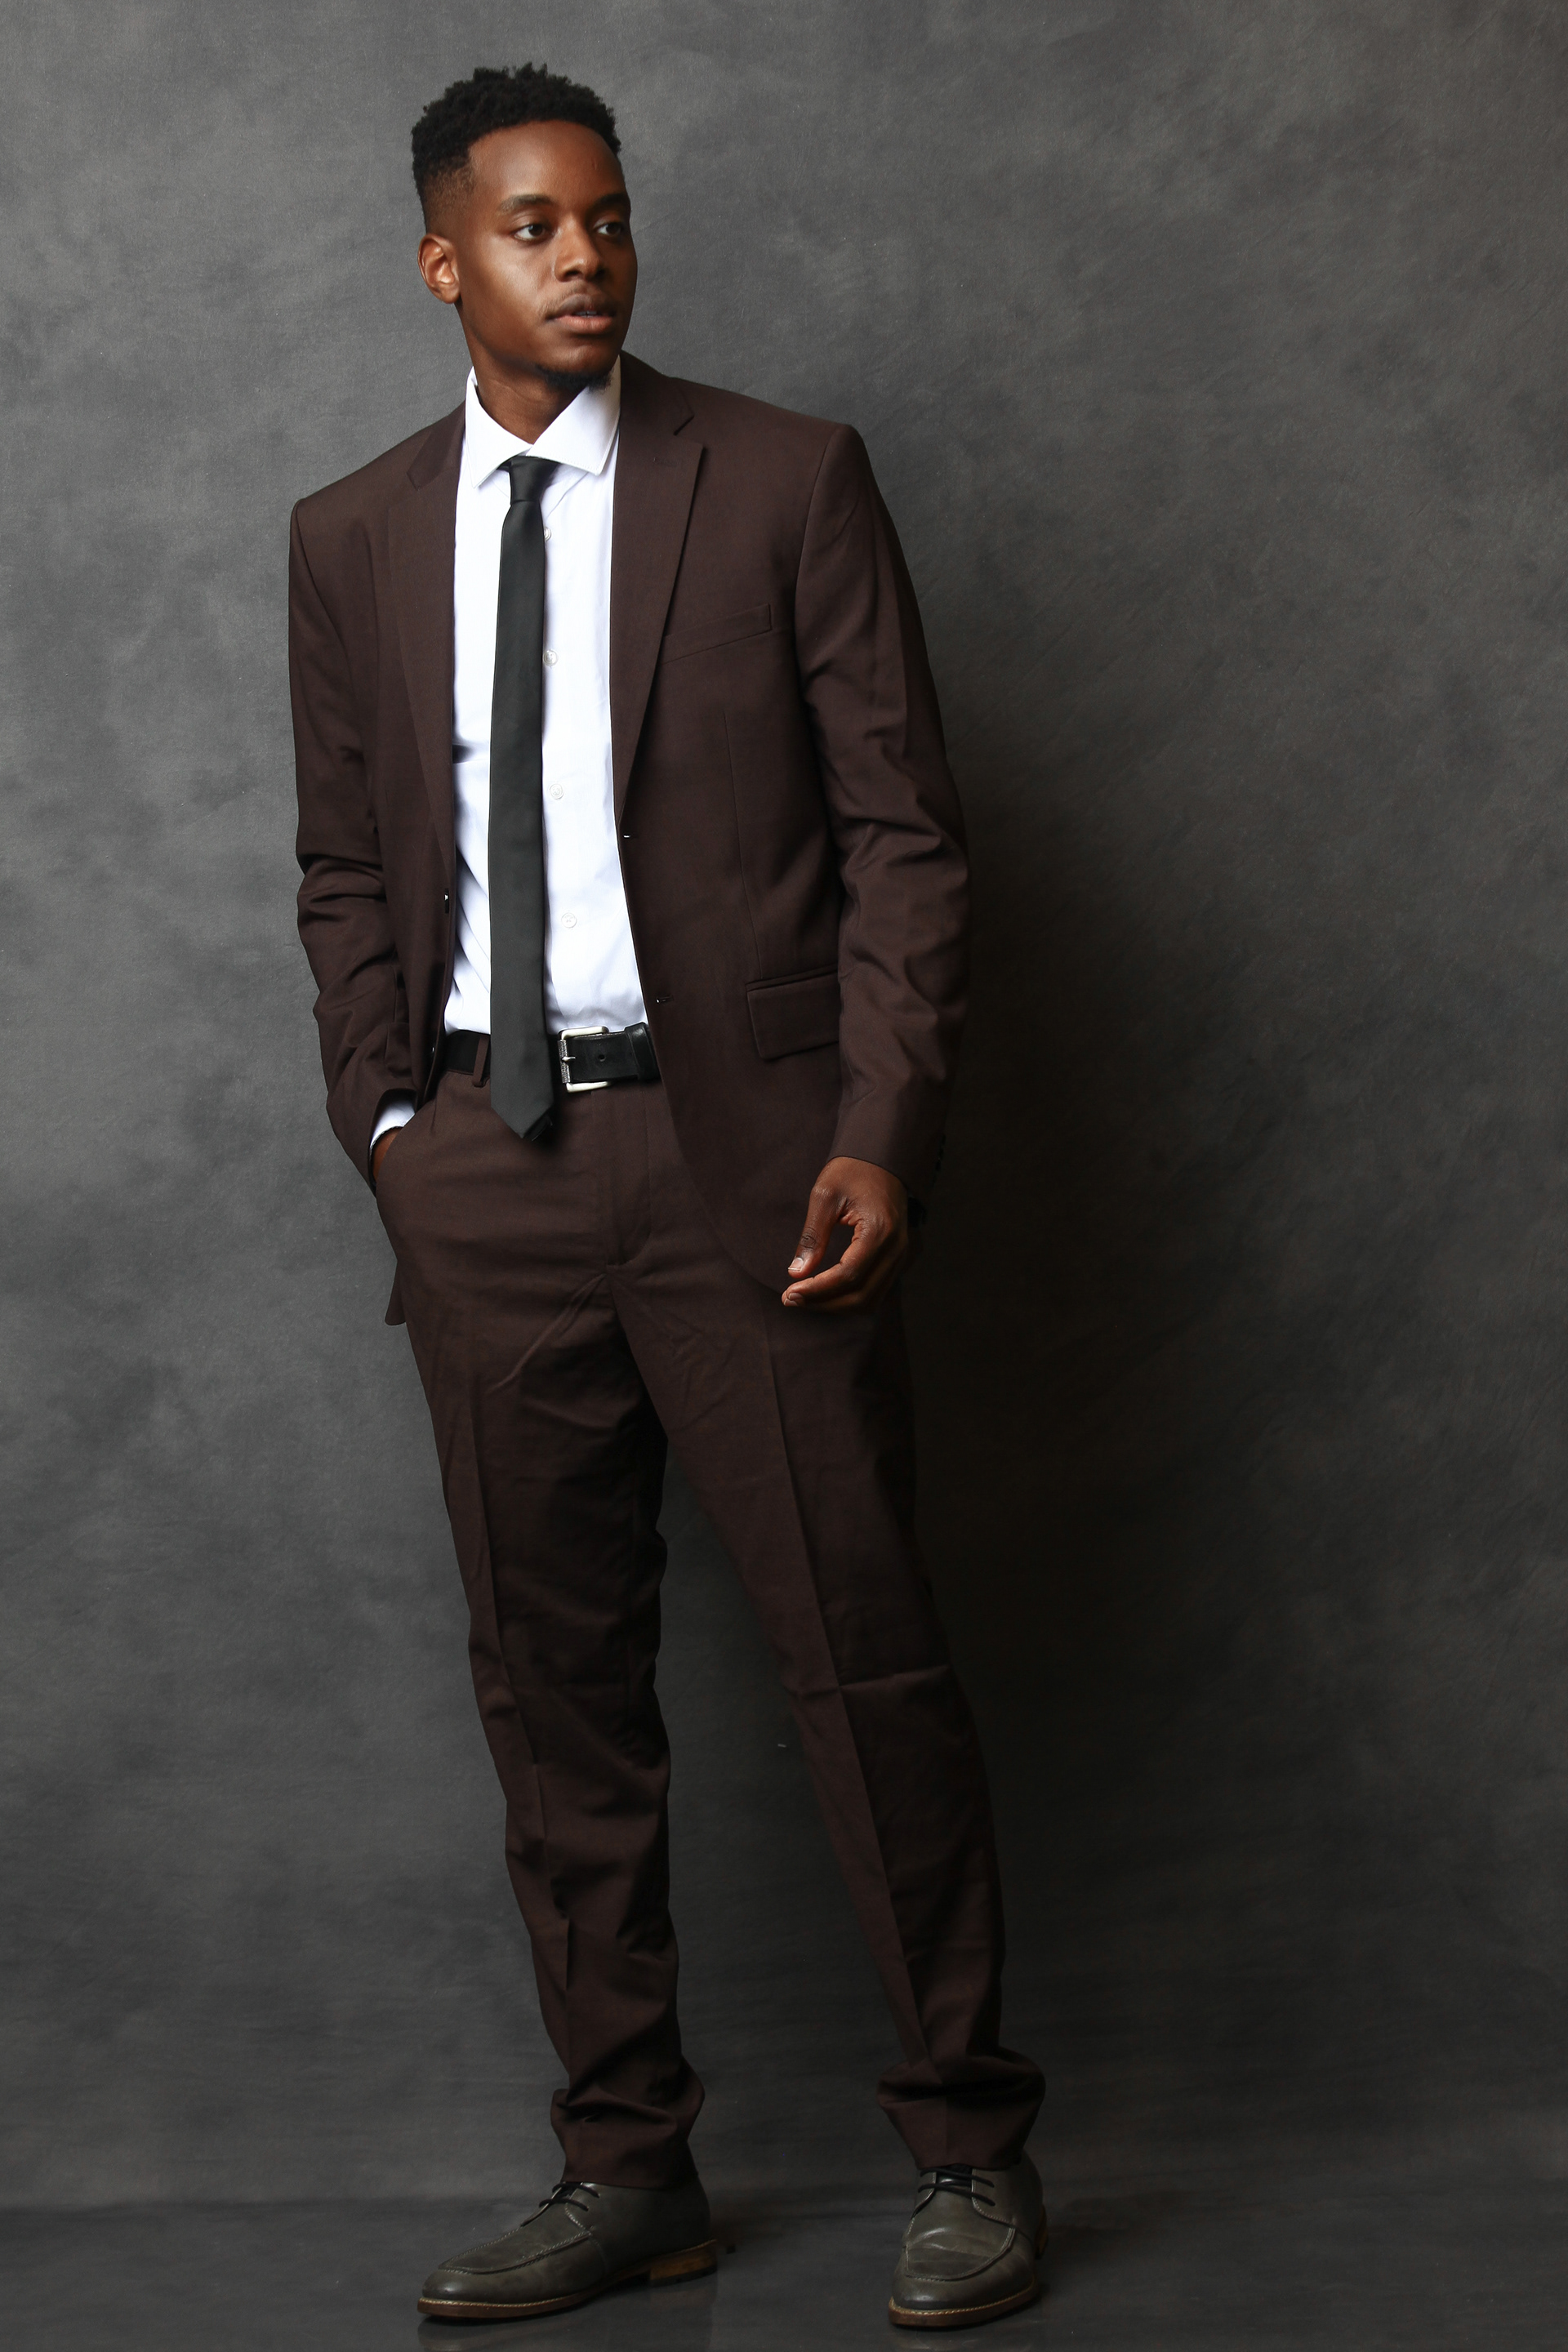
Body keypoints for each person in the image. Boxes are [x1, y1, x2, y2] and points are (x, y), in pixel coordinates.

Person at [289, 61, 1043, 2330]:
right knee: (558, 1703)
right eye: (533, 227)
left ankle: (972, 2150)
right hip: (489, 1177)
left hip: (756, 1174)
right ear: (445, 262)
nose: (587, 256)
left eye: (607, 217)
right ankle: (630, 2168)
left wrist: (878, 1129)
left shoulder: (785, 478)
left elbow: (906, 836)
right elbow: (344, 874)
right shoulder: (351, 536)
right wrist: (394, 1133)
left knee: (862, 1663)